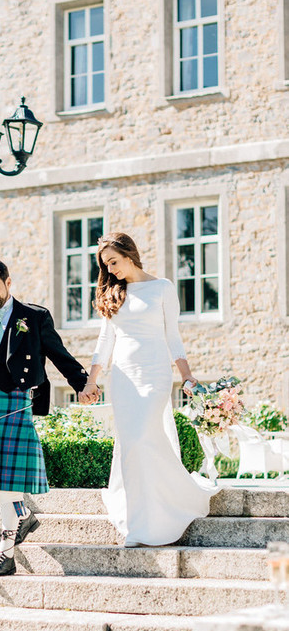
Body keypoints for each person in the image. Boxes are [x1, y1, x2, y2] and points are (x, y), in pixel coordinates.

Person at [0, 255, 93, 577]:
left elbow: (59, 355)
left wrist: (82, 384)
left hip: (15, 403)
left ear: (8, 282)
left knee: (7, 486)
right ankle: (24, 515)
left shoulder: (33, 316)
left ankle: (6, 555)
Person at [80, 232, 219, 547]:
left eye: (113, 261)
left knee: (144, 435)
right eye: (105, 265)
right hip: (123, 377)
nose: (110, 269)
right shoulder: (113, 292)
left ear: (129, 254)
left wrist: (186, 375)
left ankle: (174, 500)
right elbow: (106, 339)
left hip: (155, 374)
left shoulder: (162, 288)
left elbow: (173, 336)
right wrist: (92, 379)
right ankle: (137, 523)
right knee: (133, 444)